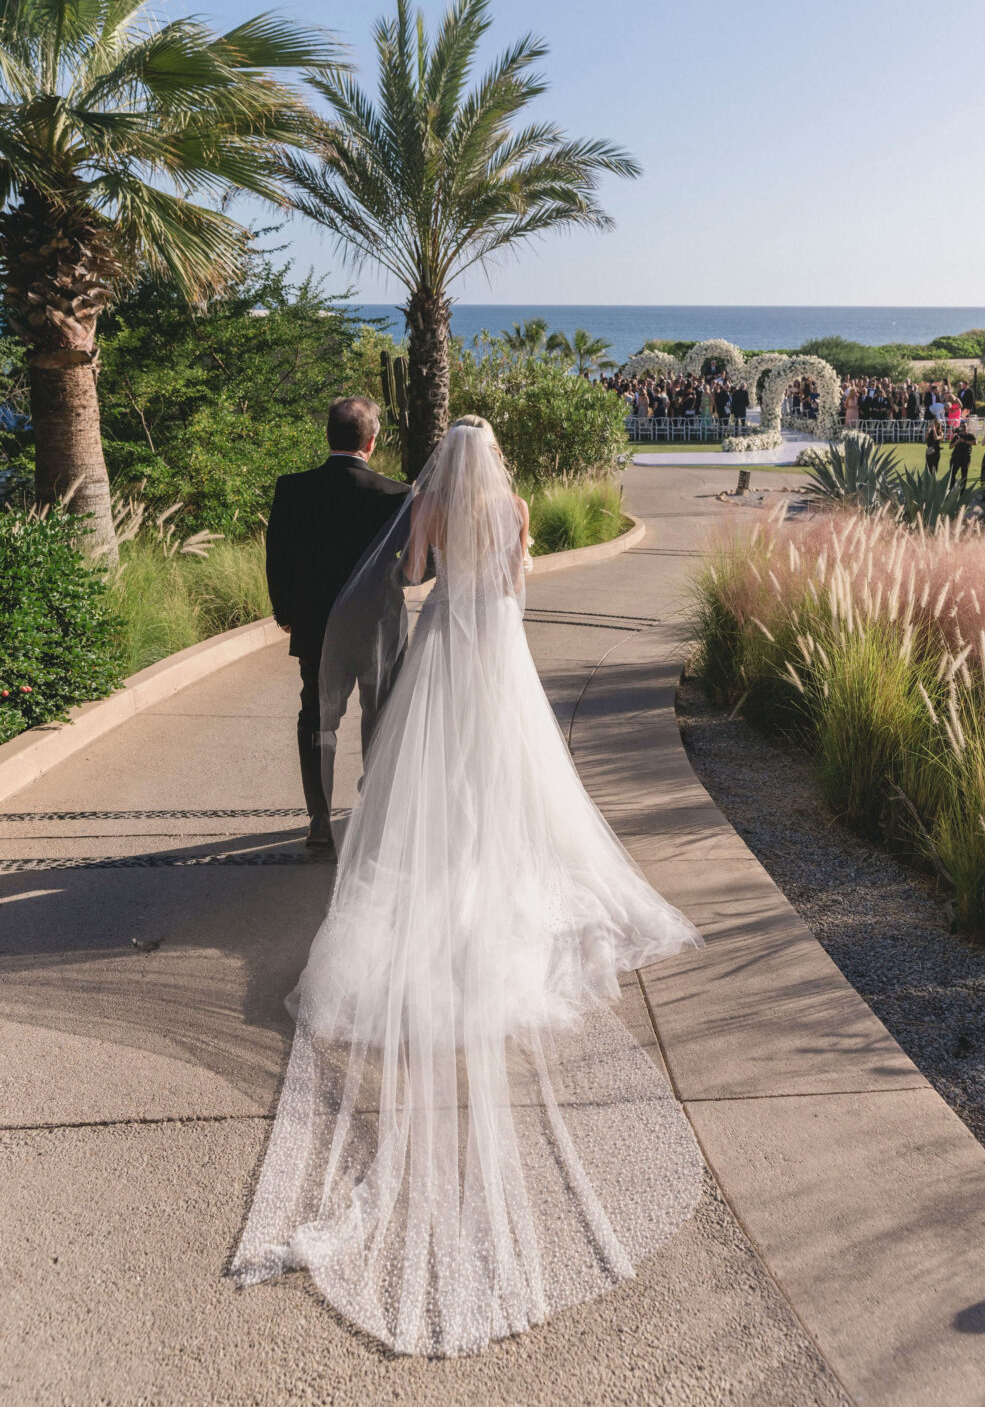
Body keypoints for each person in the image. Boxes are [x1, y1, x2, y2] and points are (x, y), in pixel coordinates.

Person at [233, 417, 705, 1356]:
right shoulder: (518, 507)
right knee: (510, 776)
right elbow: (520, 589)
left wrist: (436, 568)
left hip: (448, 645)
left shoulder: (433, 506)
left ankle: (439, 862)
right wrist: (493, 600)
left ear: (446, 461)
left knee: (431, 775)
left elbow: (410, 582)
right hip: (499, 648)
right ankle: (501, 864)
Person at [265, 396, 409, 850]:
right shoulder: (397, 496)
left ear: (328, 436)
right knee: (379, 717)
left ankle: (320, 821)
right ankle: (373, 812)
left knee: (317, 720)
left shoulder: (292, 489)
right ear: (372, 440)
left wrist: (286, 612)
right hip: (378, 627)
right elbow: (416, 567)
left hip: (317, 627)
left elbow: (277, 556)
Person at [949, 423, 976, 489]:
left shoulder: (970, 435)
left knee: (964, 475)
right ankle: (951, 488)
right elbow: (950, 446)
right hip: (956, 457)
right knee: (952, 474)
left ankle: (962, 491)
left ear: (967, 427)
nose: (963, 428)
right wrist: (956, 442)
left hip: (965, 458)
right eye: (962, 426)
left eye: (964, 426)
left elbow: (975, 442)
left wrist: (964, 441)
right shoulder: (957, 436)